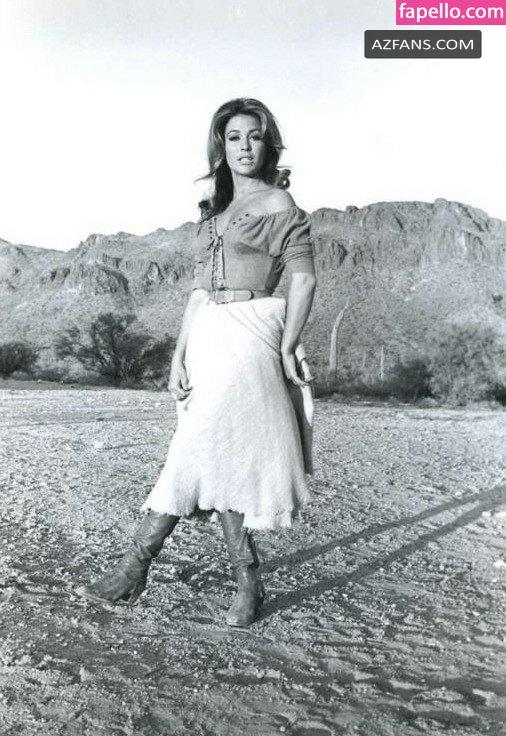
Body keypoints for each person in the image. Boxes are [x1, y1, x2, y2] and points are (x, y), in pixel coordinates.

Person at [76, 97, 317, 627]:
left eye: (254, 136)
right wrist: (178, 355)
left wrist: (287, 345)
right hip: (208, 335)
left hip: (252, 333)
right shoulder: (214, 211)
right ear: (220, 146)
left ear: (268, 144)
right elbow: (198, 293)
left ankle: (135, 566)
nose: (245, 147)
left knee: (195, 449)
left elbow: (304, 278)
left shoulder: (279, 202)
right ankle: (247, 581)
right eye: (234, 137)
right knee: (219, 455)